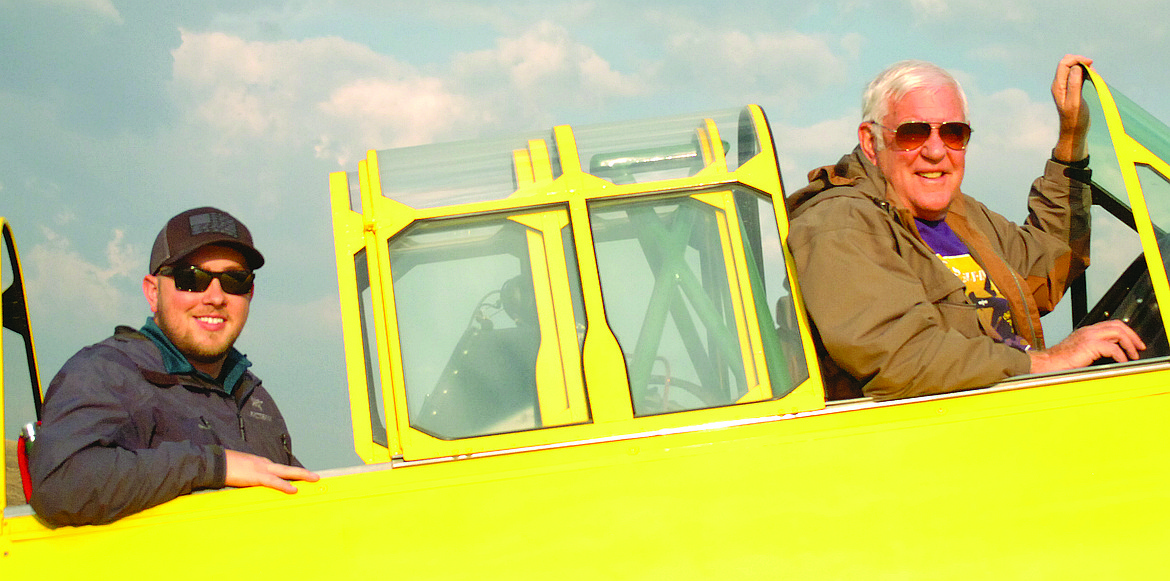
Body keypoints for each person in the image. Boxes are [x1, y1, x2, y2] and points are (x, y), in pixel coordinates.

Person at [786, 54, 1144, 401]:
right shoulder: (839, 223)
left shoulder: (957, 213)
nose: (936, 151)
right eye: (914, 133)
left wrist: (1071, 139)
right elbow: (901, 358)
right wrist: (1045, 361)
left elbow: (1045, 267)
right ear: (871, 141)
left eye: (954, 133)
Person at [29, 207, 319, 526]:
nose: (215, 297)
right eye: (191, 278)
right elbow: (60, 484)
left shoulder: (252, 395)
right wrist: (213, 466)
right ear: (153, 292)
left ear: (250, 292)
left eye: (234, 280)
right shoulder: (107, 371)